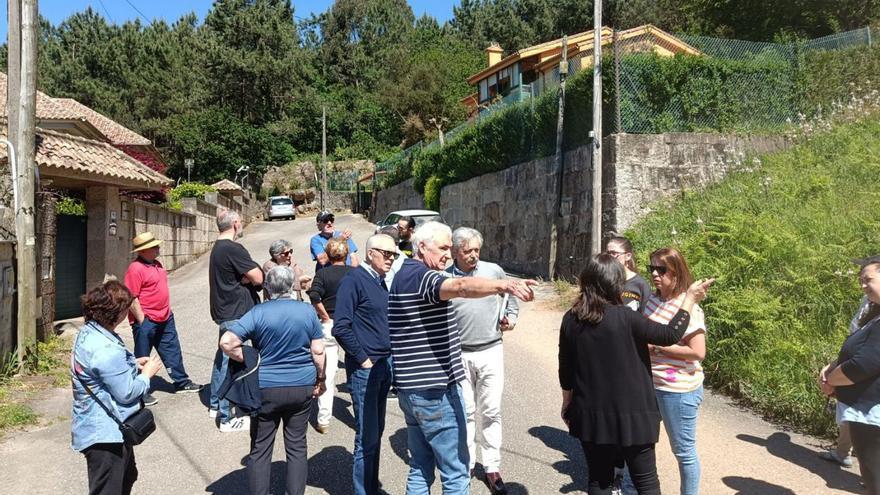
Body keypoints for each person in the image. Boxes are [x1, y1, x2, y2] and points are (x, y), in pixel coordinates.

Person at [388, 221, 536, 494]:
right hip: (433, 391)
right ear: (422, 246)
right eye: (443, 247)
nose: (447, 253)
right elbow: (462, 286)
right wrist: (506, 285)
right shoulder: (424, 277)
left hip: (411, 390)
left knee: (421, 467)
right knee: (456, 473)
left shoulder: (403, 274)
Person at [558, 255, 713, 495]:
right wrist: (689, 300)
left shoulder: (571, 318)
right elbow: (669, 334)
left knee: (599, 480)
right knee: (646, 482)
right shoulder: (626, 318)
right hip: (634, 416)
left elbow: (565, 368)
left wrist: (567, 402)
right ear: (615, 284)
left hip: (590, 413)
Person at [220, 266, 326, 495]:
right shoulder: (307, 312)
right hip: (301, 386)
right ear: (291, 286)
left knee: (260, 448)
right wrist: (321, 378)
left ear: (267, 287)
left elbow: (227, 343)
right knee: (297, 446)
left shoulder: (258, 313)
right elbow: (318, 351)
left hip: (266, 387)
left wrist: (250, 358)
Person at [71, 280, 164, 495]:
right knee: (109, 489)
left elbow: (101, 369)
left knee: (127, 476)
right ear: (116, 313)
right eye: (126, 309)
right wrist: (147, 375)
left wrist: (132, 363)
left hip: (99, 428)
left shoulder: (88, 332)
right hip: (105, 434)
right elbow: (127, 392)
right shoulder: (104, 349)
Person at [446, 227, 519, 494]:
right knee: (464, 412)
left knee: (491, 411)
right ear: (454, 252)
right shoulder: (444, 277)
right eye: (468, 251)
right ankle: (465, 465)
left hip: (491, 350)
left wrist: (510, 319)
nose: (474, 255)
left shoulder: (494, 271)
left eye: (477, 250)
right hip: (459, 353)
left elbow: (510, 300)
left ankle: (492, 467)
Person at [332, 234, 397, 495]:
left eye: (395, 254)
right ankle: (364, 491)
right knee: (366, 437)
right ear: (371, 253)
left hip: (384, 366)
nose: (392, 258)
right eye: (387, 253)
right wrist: (364, 359)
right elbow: (341, 327)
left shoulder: (380, 282)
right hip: (365, 370)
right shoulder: (354, 280)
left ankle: (371, 486)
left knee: (376, 432)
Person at [643, 247, 708, 495]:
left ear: (677, 273)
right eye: (652, 269)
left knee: (684, 452)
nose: (655, 275)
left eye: (662, 270)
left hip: (677, 390)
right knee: (641, 442)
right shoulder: (652, 300)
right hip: (650, 383)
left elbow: (698, 352)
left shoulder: (688, 308)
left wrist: (657, 349)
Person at [820, 255, 880, 494]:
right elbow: (857, 347)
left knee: (874, 475)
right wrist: (832, 368)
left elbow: (862, 366)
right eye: (860, 280)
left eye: (868, 279)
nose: (862, 285)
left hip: (871, 409)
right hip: (865, 407)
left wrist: (830, 380)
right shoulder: (874, 312)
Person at [124, 232, 201, 407]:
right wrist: (142, 320)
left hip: (165, 316)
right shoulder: (135, 269)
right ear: (143, 251)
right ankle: (139, 392)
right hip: (147, 320)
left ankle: (181, 382)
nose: (158, 248)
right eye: (154, 246)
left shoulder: (157, 264)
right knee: (142, 357)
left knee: (172, 349)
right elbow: (131, 297)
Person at [208, 208, 264, 432]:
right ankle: (226, 416)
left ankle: (215, 404)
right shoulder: (233, 248)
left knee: (222, 360)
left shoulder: (217, 248)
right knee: (234, 363)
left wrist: (246, 277)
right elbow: (258, 277)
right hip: (237, 313)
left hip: (225, 311)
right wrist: (250, 278)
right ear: (235, 223)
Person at [307, 238, 357, 434]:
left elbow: (313, 295)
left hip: (329, 326)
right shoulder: (355, 274)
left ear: (328, 254)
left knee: (327, 374)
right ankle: (360, 417)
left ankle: (323, 419)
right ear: (345, 255)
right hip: (351, 325)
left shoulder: (323, 274)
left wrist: (325, 316)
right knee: (357, 368)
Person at [820, 291, 874, 468]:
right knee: (852, 408)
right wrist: (835, 366)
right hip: (857, 361)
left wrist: (834, 377)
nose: (863, 283)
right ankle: (843, 452)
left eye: (868, 278)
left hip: (864, 366)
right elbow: (856, 336)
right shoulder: (869, 301)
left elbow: (865, 357)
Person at [605, 236, 651, 313]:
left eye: (614, 253)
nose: (609, 257)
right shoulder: (603, 280)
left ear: (628, 256)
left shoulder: (640, 284)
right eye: (608, 253)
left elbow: (645, 316)